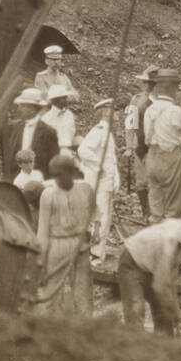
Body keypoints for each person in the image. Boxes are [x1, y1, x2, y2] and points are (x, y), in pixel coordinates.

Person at [117, 217, 181, 336]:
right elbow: (160, 287)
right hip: (132, 260)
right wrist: (176, 316)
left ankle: (165, 347)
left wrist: (178, 315)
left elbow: (170, 283)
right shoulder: (169, 244)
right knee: (136, 309)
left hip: (152, 265)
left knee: (164, 311)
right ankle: (134, 350)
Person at [30, 152, 97, 318]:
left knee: (82, 292)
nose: (58, 179)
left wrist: (94, 230)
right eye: (55, 175)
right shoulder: (48, 195)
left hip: (80, 246)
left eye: (62, 174)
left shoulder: (86, 190)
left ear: (72, 172)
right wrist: (41, 262)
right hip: (56, 245)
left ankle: (86, 327)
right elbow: (43, 232)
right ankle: (48, 327)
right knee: (50, 290)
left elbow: (95, 214)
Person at [77, 98, 121, 263]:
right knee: (99, 217)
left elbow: (112, 159)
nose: (117, 114)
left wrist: (115, 177)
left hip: (106, 182)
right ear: (107, 112)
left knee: (105, 216)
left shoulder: (107, 131)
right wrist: (99, 166)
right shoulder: (99, 130)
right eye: (114, 110)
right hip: (99, 181)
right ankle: (94, 253)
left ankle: (97, 251)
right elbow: (83, 150)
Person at [143, 68, 181, 222]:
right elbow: (180, 135)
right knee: (173, 205)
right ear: (170, 88)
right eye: (176, 87)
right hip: (170, 158)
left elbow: (145, 136)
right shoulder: (176, 111)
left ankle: (155, 238)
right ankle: (170, 240)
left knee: (155, 202)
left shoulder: (150, 110)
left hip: (152, 157)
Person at [0, 87, 59, 179]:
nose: (19, 109)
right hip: (14, 179)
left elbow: (53, 162)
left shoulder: (48, 132)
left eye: (23, 106)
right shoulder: (14, 127)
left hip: (37, 180)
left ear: (32, 108)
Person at [126, 67, 156, 210]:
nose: (147, 86)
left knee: (155, 181)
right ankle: (146, 212)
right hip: (140, 146)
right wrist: (129, 146)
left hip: (157, 146)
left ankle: (156, 212)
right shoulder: (136, 100)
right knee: (141, 182)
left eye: (151, 83)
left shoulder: (161, 101)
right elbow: (130, 124)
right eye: (145, 82)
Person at [41, 84, 79, 150]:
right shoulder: (46, 119)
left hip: (68, 150)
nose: (66, 100)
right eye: (63, 98)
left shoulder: (69, 115)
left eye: (66, 97)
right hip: (52, 151)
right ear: (54, 100)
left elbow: (72, 133)